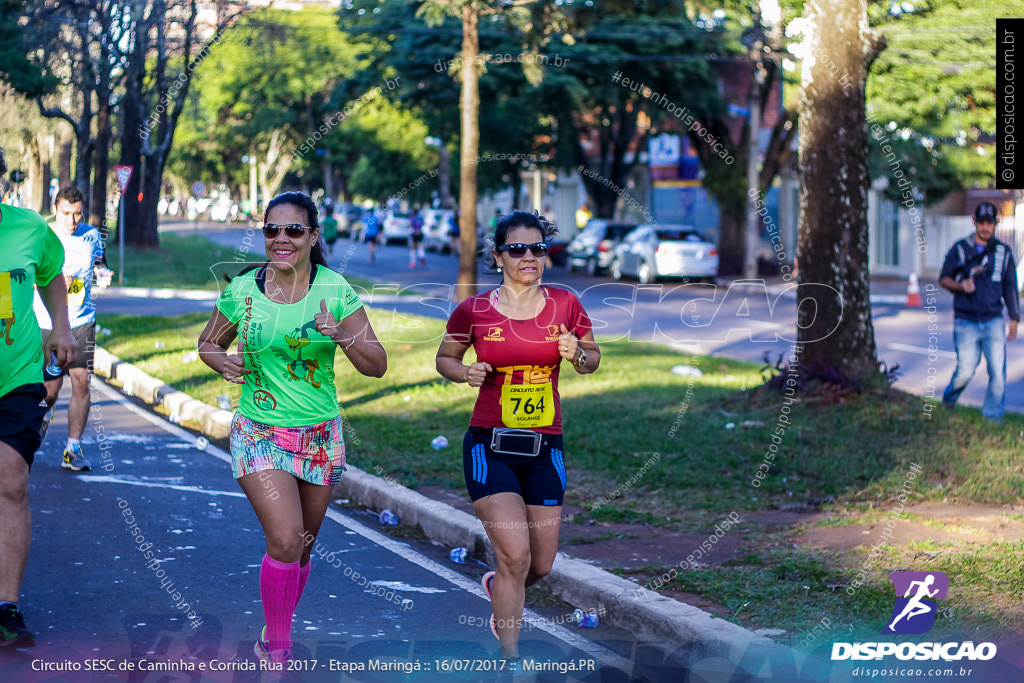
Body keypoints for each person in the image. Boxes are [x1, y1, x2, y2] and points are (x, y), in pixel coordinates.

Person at [197, 191, 387, 665]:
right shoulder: (242, 290)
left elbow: (377, 365)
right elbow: (207, 343)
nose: (282, 239)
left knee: (300, 551)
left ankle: (271, 632)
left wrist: (341, 335)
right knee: (284, 538)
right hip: (258, 432)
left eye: (293, 230)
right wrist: (224, 363)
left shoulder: (335, 290)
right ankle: (278, 646)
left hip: (319, 436)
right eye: (272, 230)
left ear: (313, 236)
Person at [435, 210, 600, 661]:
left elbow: (592, 357)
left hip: (546, 447)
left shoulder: (566, 303)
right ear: (498, 255)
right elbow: (445, 358)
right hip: (490, 446)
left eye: (538, 248)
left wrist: (577, 355)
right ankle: (510, 656)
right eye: (517, 249)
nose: (529, 256)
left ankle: (498, 585)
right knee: (515, 554)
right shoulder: (474, 310)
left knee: (540, 564)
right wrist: (464, 371)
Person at [0, 144, 78, 648]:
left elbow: (53, 274)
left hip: (18, 374)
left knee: (10, 483)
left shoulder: (28, 227)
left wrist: (62, 329)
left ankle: (6, 606)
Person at [33, 186, 112, 470]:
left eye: (77, 214)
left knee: (81, 380)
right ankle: (36, 424)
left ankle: (73, 448)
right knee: (50, 390)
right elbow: (27, 273)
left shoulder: (91, 236)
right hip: (46, 323)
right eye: (66, 213)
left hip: (81, 321)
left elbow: (101, 264)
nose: (72, 221)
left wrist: (104, 275)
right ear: (56, 209)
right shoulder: (41, 234)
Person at [939, 201, 1020, 423]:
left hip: (993, 319)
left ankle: (993, 418)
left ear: (996, 223)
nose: (985, 227)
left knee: (997, 374)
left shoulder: (1003, 252)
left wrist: (1014, 319)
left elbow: (1010, 286)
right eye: (981, 223)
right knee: (965, 371)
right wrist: (960, 286)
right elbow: (943, 278)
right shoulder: (960, 248)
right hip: (966, 321)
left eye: (990, 223)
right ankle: (947, 401)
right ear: (974, 222)